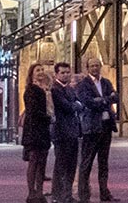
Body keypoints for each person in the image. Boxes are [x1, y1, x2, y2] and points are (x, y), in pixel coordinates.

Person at [76, 58, 119, 202]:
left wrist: (102, 100)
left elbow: (116, 97)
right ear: (87, 68)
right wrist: (107, 100)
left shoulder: (106, 82)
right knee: (86, 163)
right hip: (92, 128)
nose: (95, 68)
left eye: (97, 65)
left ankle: (104, 193)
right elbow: (88, 102)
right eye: (92, 65)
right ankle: (84, 195)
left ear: (101, 66)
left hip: (106, 126)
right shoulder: (84, 84)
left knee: (103, 162)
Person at [50, 62, 83, 203]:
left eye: (67, 72)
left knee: (71, 165)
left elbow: (78, 104)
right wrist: (75, 105)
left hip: (73, 132)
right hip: (61, 133)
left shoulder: (69, 89)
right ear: (56, 74)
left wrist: (75, 105)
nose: (65, 75)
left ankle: (67, 194)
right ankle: (58, 195)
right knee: (61, 165)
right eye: (62, 73)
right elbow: (68, 107)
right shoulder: (55, 90)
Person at [22, 64, 54, 203]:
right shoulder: (31, 90)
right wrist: (48, 118)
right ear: (32, 74)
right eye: (37, 70)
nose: (41, 72)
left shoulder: (45, 89)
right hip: (34, 130)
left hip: (43, 129)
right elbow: (33, 111)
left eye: (42, 70)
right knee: (34, 161)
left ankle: (40, 191)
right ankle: (31, 193)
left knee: (42, 162)